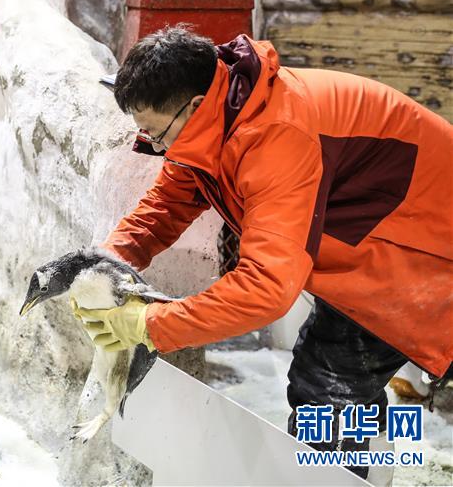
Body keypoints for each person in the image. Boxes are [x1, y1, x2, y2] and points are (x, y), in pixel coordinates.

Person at [75, 25, 452, 481]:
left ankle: (346, 475)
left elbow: (266, 288)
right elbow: (166, 206)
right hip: (376, 247)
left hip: (423, 252)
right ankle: (368, 467)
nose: (156, 146)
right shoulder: (218, 112)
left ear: (193, 105)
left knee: (327, 388)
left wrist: (151, 324)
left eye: (157, 133)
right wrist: (105, 266)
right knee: (333, 377)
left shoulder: (276, 136)